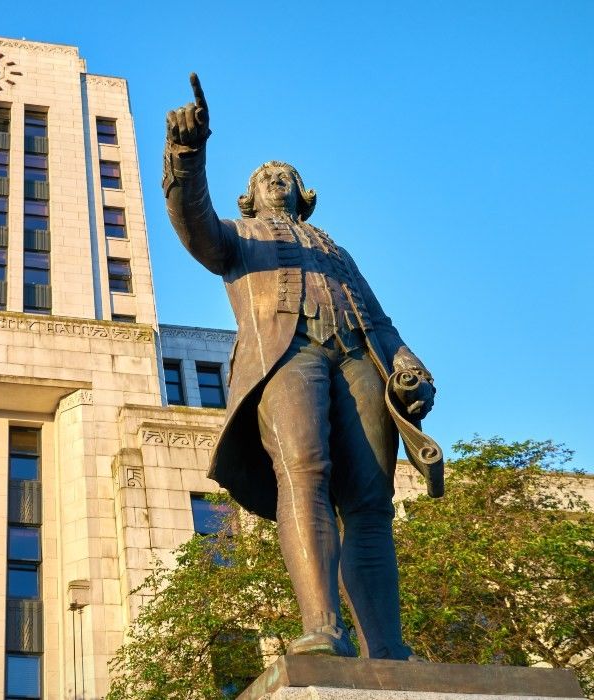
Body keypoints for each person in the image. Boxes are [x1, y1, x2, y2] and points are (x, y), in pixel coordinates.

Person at [163, 73, 437, 660]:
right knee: (305, 472)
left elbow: (377, 316)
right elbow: (194, 225)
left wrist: (406, 361)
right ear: (251, 196)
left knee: (370, 499)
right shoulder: (238, 235)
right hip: (288, 355)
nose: (277, 183)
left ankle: (387, 647)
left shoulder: (333, 245)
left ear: (302, 190)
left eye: (285, 177)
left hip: (358, 357)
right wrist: (187, 153)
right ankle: (322, 627)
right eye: (266, 179)